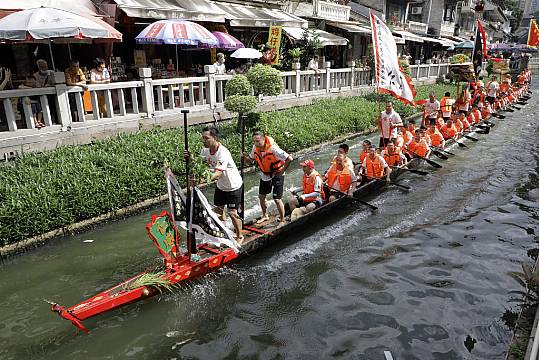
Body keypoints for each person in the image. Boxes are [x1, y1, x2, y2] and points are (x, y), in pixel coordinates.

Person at [184, 126, 244, 243]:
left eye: (206, 138)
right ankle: (224, 231)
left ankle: (240, 236)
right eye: (203, 138)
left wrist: (200, 181)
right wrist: (189, 158)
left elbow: (217, 174)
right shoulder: (205, 151)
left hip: (233, 186)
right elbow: (198, 166)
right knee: (217, 211)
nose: (204, 140)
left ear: (215, 138)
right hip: (221, 186)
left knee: (232, 213)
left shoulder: (223, 153)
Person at [245, 130, 293, 226]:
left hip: (277, 173)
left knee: (276, 199)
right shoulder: (255, 148)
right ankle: (265, 215)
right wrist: (245, 158)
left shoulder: (273, 149)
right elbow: (250, 161)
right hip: (265, 174)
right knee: (261, 196)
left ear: (263, 139)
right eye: (254, 141)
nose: (256, 143)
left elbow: (289, 158)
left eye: (258, 141)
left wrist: (282, 171)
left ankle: (282, 220)